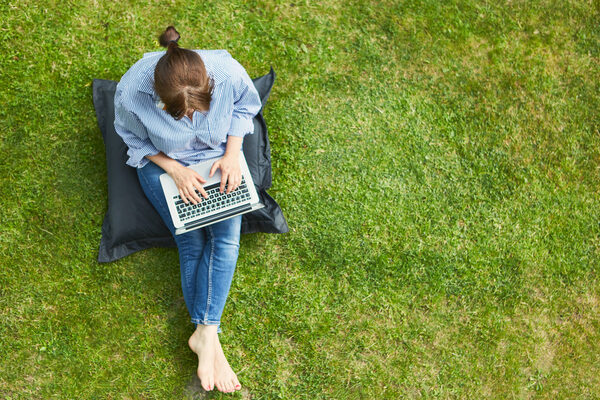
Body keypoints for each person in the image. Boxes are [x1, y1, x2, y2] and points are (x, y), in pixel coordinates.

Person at [114, 26, 262, 393]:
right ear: (160, 102)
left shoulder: (226, 72)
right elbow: (131, 137)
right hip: (166, 164)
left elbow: (246, 106)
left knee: (226, 240)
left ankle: (205, 332)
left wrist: (231, 155)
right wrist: (175, 169)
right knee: (191, 241)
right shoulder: (132, 92)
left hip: (217, 158)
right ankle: (209, 339)